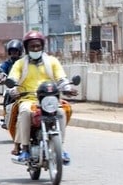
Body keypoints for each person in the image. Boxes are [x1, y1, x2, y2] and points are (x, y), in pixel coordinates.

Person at [7, 31, 77, 165]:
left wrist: (68, 88)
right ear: (26, 48)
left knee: (61, 112)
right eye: (32, 46)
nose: (35, 49)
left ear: (42, 46)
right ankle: (25, 149)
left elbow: (61, 79)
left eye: (38, 46)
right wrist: (13, 90)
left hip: (49, 99)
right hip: (28, 99)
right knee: (25, 111)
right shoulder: (20, 64)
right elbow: (13, 79)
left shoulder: (52, 61)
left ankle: (60, 148)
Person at [0, 39, 23, 128]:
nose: (14, 53)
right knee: (7, 94)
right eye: (12, 51)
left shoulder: (24, 62)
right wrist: (2, 77)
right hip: (12, 86)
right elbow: (2, 70)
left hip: (25, 86)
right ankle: (6, 117)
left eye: (16, 51)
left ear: (20, 52)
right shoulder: (7, 63)